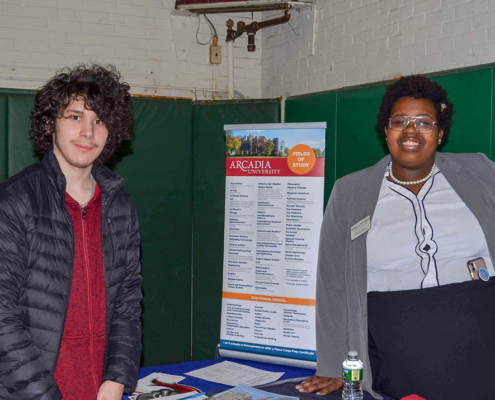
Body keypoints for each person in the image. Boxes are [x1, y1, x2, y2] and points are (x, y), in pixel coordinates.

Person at [296, 75, 495, 399]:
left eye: (424, 122)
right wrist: (332, 366)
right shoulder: (350, 192)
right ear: (385, 130)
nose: (411, 131)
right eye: (400, 121)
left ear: (440, 133)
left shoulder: (480, 172)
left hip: (483, 348)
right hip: (397, 357)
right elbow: (331, 281)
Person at [0, 65, 143, 400]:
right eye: (75, 117)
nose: (88, 132)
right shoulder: (15, 201)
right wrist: (43, 393)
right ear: (50, 124)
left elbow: (127, 303)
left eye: (99, 120)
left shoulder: (120, 206)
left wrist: (117, 379)